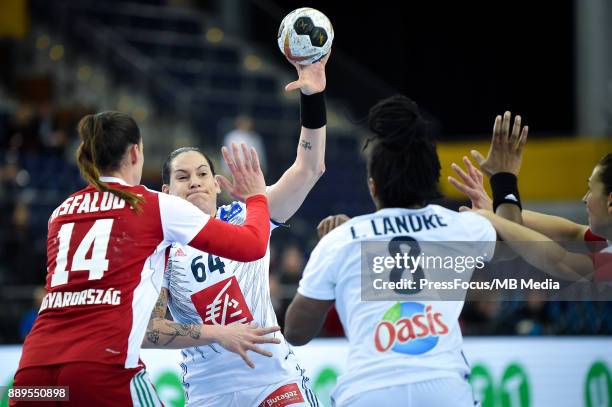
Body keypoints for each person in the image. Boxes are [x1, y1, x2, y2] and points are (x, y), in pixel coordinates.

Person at [11, 111, 275, 406]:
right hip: (99, 369)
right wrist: (256, 197)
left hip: (32, 373)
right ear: (136, 152)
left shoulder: (60, 212)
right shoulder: (153, 204)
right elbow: (252, 245)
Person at [284, 96, 524, 406]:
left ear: (373, 186)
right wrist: (504, 178)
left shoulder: (342, 239)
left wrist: (333, 269)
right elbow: (516, 239)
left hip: (368, 391)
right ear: (429, 181)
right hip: (444, 389)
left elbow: (295, 331)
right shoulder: (460, 226)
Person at [146, 55, 329, 406]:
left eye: (202, 174)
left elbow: (310, 169)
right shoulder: (159, 249)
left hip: (274, 381)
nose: (195, 183)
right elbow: (150, 331)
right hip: (208, 392)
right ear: (166, 193)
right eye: (182, 177)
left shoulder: (247, 215)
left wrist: (313, 98)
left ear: (217, 185)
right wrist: (218, 334)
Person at [448, 111, 611, 281]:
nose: (585, 198)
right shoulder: (605, 238)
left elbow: (560, 261)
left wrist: (493, 212)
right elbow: (570, 232)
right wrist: (496, 206)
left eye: (591, 189)